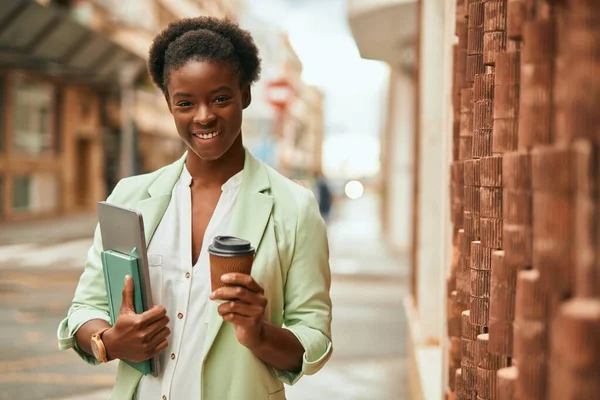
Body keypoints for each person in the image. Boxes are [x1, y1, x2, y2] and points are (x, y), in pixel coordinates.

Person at [57, 17, 333, 400]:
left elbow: (314, 338)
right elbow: (84, 308)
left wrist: (259, 332)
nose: (203, 116)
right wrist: (111, 341)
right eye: (185, 103)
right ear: (170, 106)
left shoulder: (293, 207)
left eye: (220, 98)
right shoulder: (129, 197)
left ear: (245, 94)